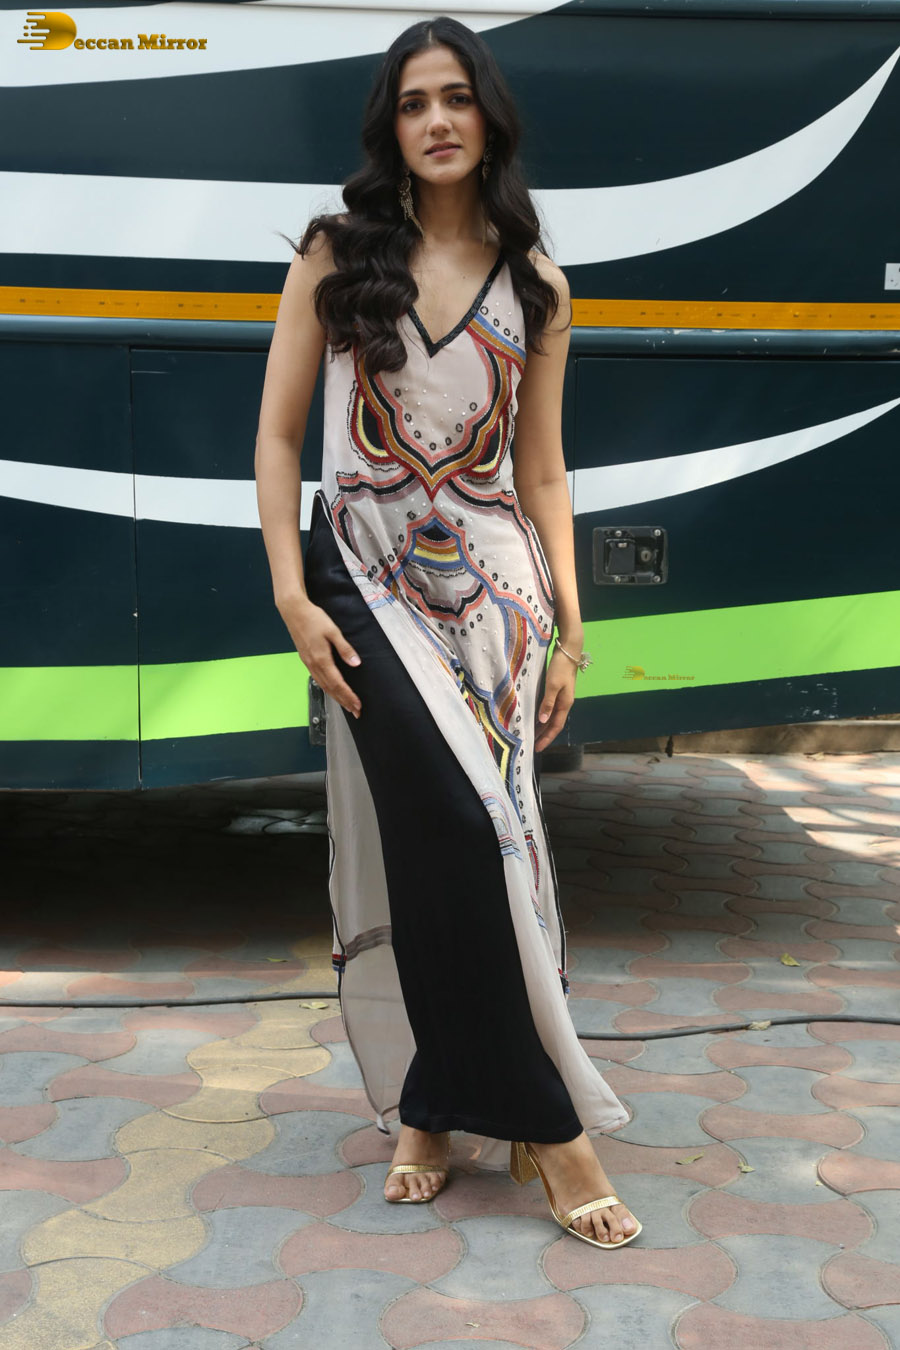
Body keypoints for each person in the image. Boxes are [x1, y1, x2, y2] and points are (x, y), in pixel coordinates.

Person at [254, 14, 641, 1249]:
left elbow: (544, 473)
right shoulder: (336, 253)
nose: (436, 120)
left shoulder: (539, 284)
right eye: (415, 101)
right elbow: (277, 439)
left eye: (457, 97)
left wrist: (572, 633)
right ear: (392, 123)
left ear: (490, 117)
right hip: (362, 579)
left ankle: (431, 1102)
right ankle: (550, 1126)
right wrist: (291, 595)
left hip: (499, 602)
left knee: (472, 845)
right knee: (451, 828)